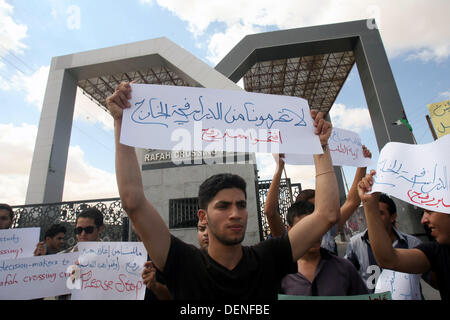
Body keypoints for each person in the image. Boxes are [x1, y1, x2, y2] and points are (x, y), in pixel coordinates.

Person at [106, 81, 340, 299]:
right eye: (223, 206)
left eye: (241, 204)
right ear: (202, 216)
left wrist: (320, 147)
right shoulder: (182, 261)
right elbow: (132, 201)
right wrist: (121, 124)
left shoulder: (269, 257)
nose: (235, 213)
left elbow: (326, 214)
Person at [355, 171, 448, 299]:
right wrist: (369, 205)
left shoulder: (413, 242)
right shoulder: (436, 252)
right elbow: (388, 259)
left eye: (430, 211)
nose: (423, 220)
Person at [264, 146, 372, 255]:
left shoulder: (327, 229)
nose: (317, 216)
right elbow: (270, 212)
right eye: (311, 211)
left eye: (320, 209)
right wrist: (279, 167)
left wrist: (362, 165)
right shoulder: (288, 240)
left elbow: (352, 202)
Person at [281, 200, 368, 296]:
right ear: (289, 230)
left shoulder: (344, 268)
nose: (313, 234)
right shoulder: (280, 274)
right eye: (304, 228)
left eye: (316, 227)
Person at [142, 219, 209, 300]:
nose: (206, 233)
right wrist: (155, 285)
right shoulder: (189, 261)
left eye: (211, 229)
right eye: (202, 229)